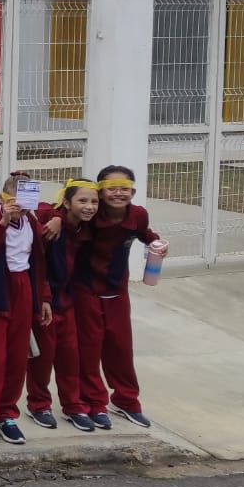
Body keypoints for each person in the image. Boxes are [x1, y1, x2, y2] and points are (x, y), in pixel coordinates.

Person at [0, 172, 51, 451]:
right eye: (15, 199)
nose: (21, 206)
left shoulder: (32, 219)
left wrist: (43, 298)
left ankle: (6, 413)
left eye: (27, 200)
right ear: (3, 197)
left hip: (23, 289)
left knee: (17, 358)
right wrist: (3, 222)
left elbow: (38, 261)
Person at [74, 166, 161, 430]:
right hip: (85, 289)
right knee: (89, 349)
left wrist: (157, 243)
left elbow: (146, 234)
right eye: (111, 188)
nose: (118, 193)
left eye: (124, 188)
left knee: (121, 348)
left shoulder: (138, 215)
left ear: (133, 192)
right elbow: (60, 215)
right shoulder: (89, 213)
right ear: (100, 192)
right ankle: (94, 403)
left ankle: (126, 401)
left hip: (117, 290)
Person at [31, 179, 99, 432]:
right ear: (67, 202)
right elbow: (37, 262)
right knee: (43, 358)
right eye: (82, 201)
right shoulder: (51, 222)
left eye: (94, 201)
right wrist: (44, 297)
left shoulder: (86, 228)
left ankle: (73, 405)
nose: (90, 206)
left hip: (69, 302)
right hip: (46, 302)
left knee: (70, 357)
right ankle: (39, 404)